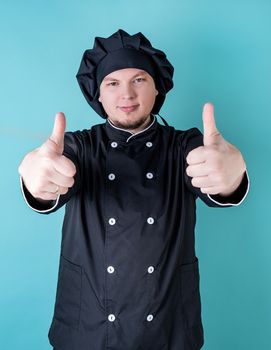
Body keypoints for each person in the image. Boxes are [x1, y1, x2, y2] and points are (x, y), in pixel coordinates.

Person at [18, 29, 249, 350]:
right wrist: (35, 180)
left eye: (139, 80)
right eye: (112, 83)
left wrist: (232, 176)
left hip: (167, 324)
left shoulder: (185, 145)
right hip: (89, 324)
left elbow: (215, 171)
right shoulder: (78, 146)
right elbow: (48, 177)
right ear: (97, 94)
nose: (126, 94)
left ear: (158, 89)